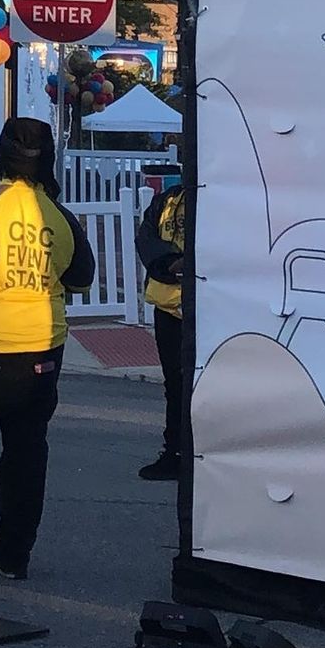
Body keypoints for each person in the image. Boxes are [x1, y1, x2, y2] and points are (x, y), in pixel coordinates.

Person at [0, 118, 95, 581]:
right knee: (27, 452)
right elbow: (82, 278)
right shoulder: (61, 216)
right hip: (42, 351)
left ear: (2, 154)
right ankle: (12, 552)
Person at [136, 179, 188, 482]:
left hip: (205, 308)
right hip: (168, 308)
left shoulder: (216, 199)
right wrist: (170, 263)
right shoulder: (168, 199)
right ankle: (174, 454)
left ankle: (199, 455)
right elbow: (146, 236)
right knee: (175, 385)